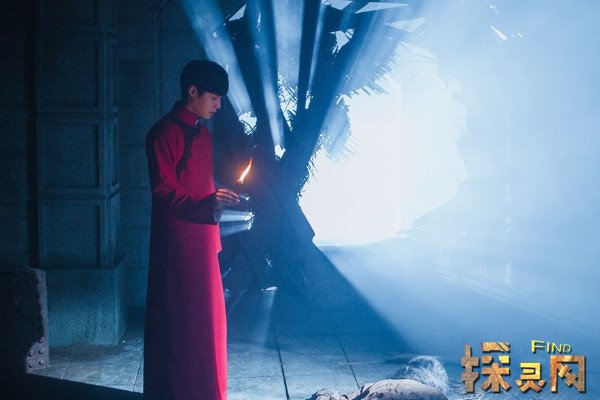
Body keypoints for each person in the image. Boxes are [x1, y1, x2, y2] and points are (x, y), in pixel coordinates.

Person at [144, 60, 239, 400]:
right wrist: (208, 203)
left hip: (204, 242)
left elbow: (201, 185)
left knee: (209, 325)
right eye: (214, 97)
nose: (218, 105)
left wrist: (218, 199)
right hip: (178, 246)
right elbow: (164, 191)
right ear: (192, 91)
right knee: (180, 326)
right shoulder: (162, 134)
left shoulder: (203, 135)